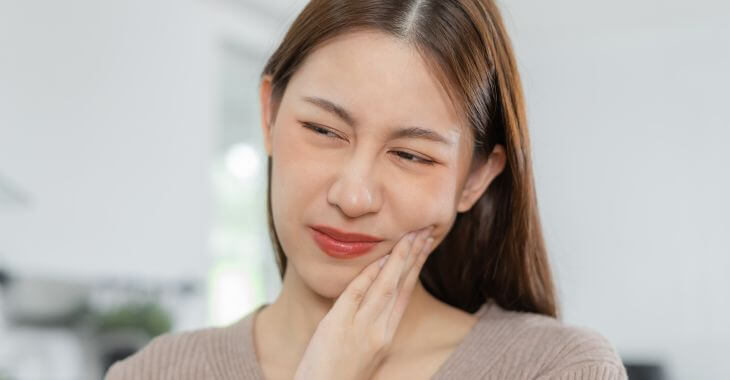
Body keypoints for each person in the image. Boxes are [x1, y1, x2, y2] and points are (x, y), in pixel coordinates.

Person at [106, 0, 627, 379]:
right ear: (269, 113)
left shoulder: (558, 369)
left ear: (474, 179)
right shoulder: (152, 373)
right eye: (324, 131)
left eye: (412, 155)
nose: (353, 197)